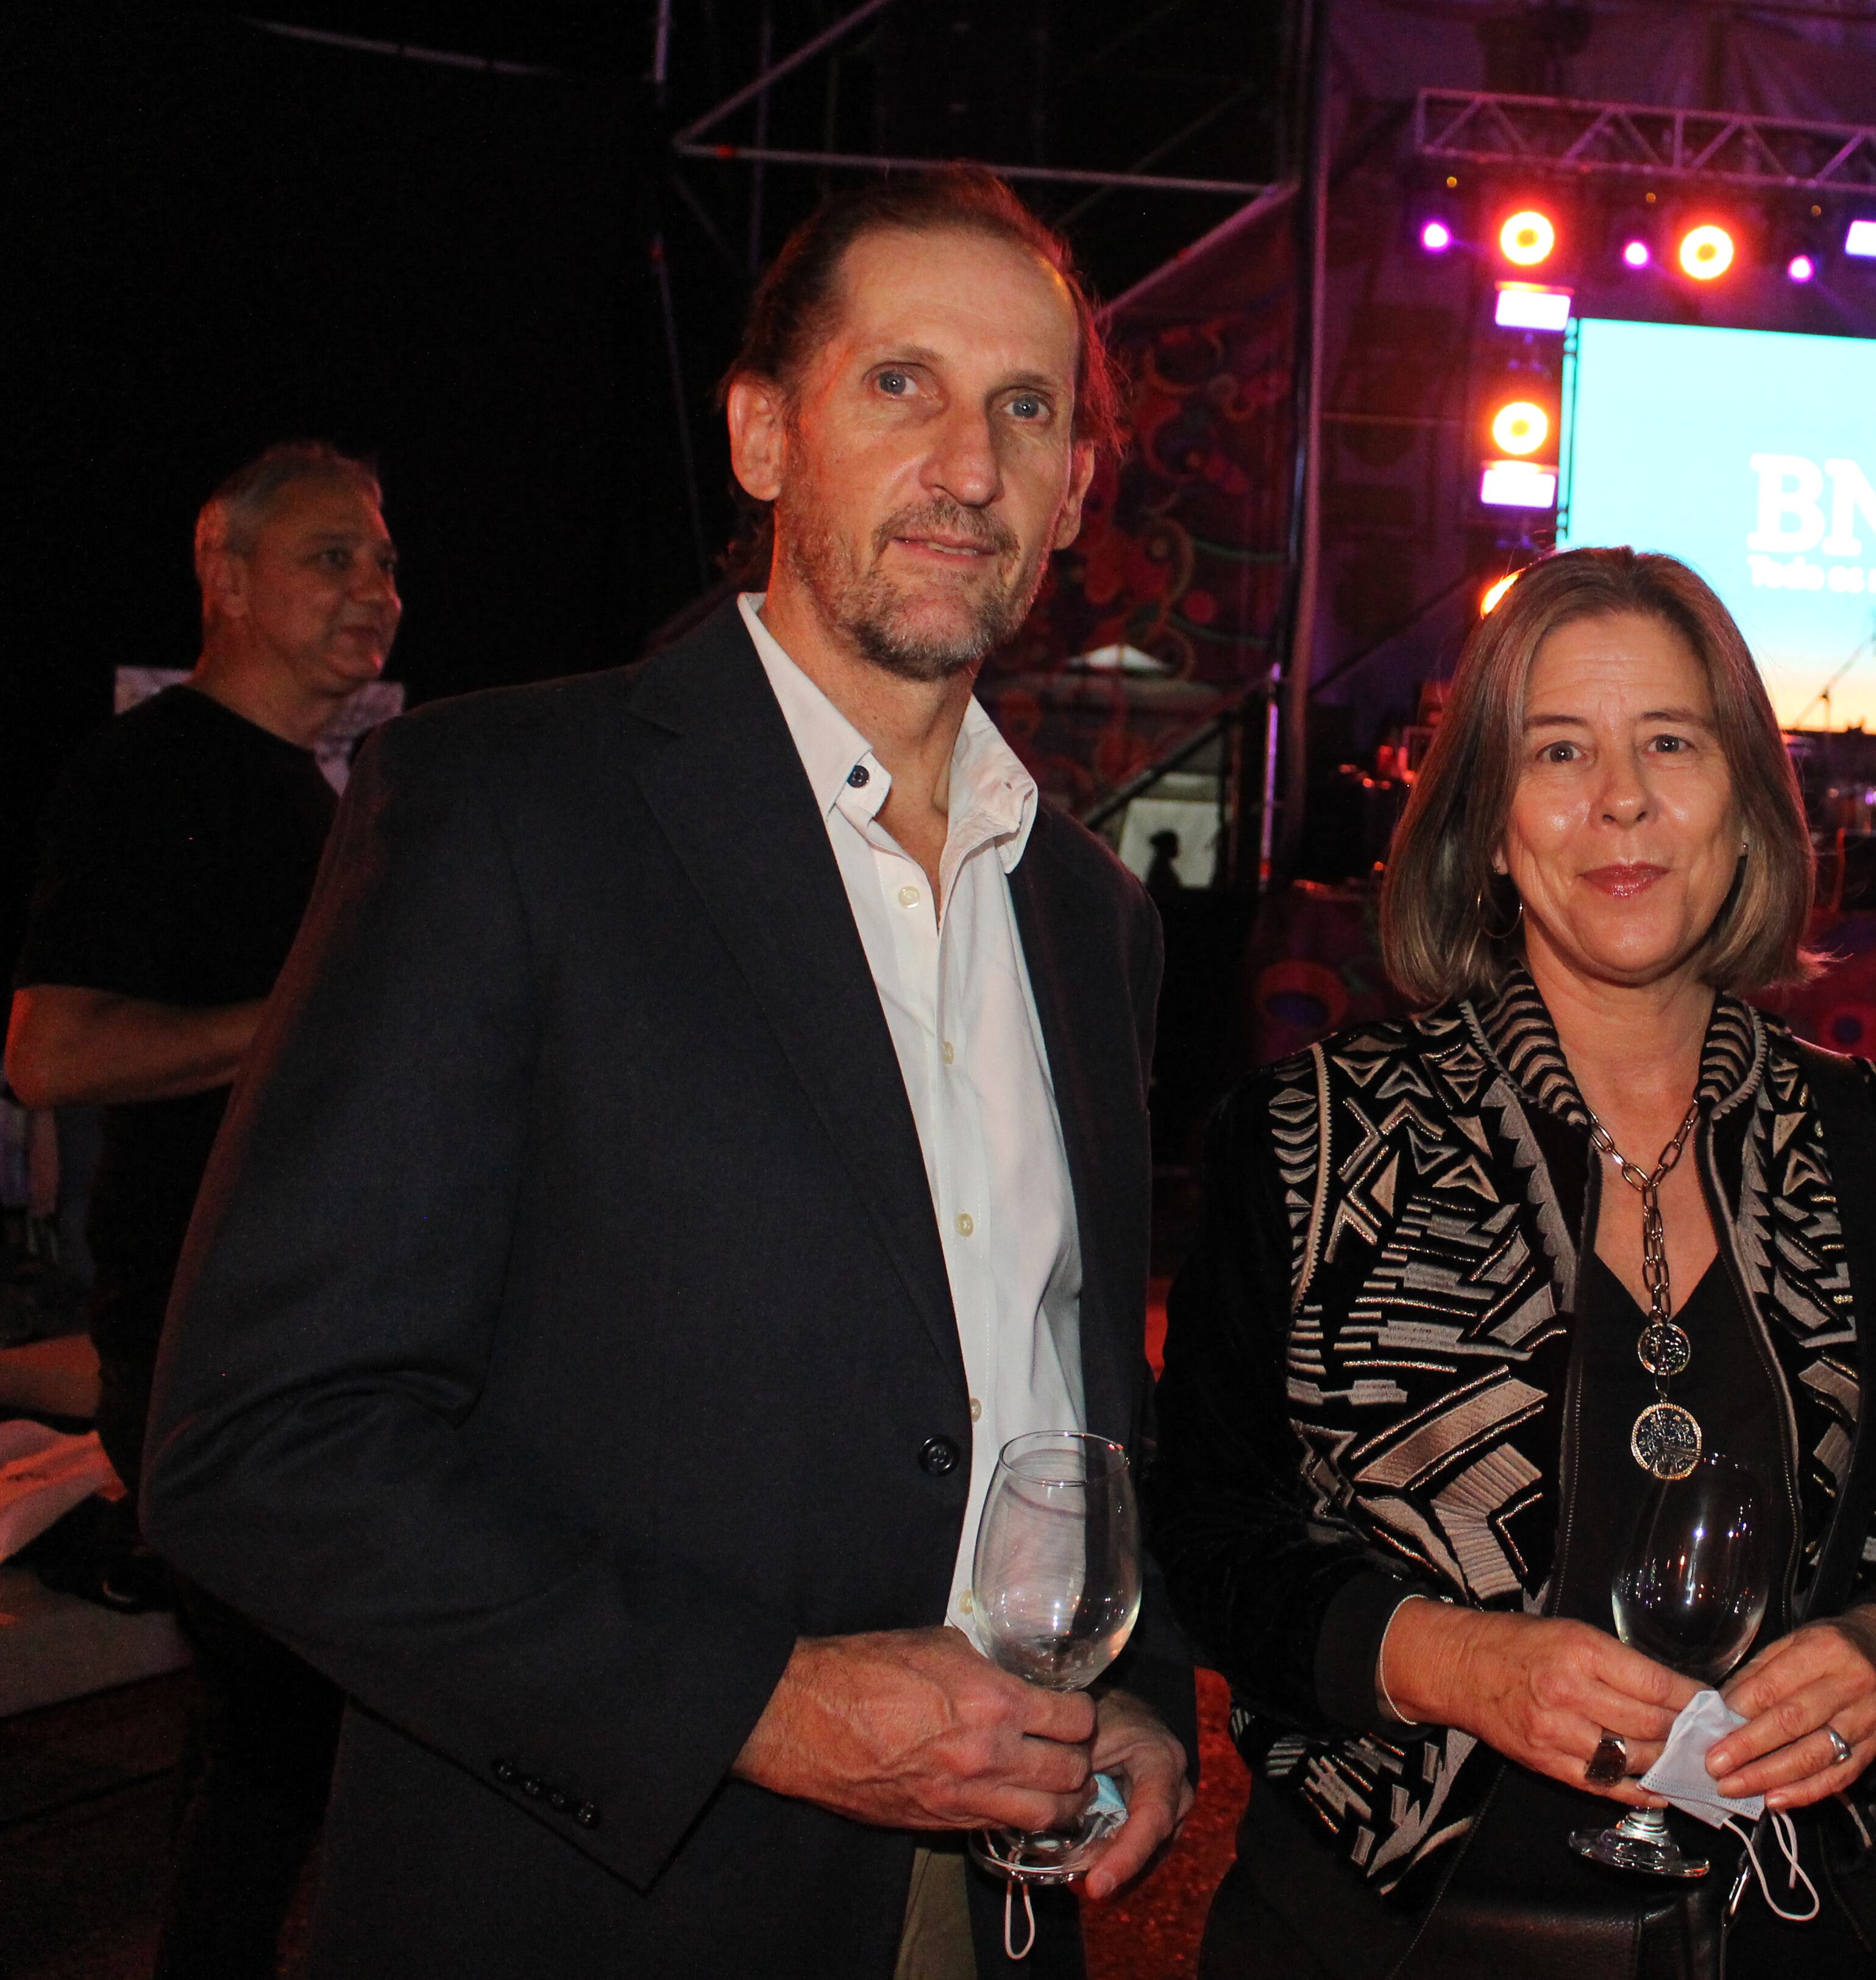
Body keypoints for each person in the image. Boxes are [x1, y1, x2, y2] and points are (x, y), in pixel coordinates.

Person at [141, 170, 1193, 1979]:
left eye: (1028, 408)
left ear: (1080, 489)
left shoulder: (1090, 918)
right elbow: (263, 1444)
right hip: (601, 1897)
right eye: (901, 387)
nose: (969, 463)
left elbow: (1057, 1389)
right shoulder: (503, 811)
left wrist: (1149, 1686)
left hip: (985, 1907)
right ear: (764, 432)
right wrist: (761, 1704)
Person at [1149, 546, 1876, 1978]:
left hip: (1789, 1938)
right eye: (1559, 749)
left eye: (1671, 741)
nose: (1621, 797)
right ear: (1486, 823)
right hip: (1392, 1942)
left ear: (1744, 802)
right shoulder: (1310, 1134)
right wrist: (1450, 1658)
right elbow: (1212, 1535)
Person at [8, 440, 397, 1978]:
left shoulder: (317, 795)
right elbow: (46, 1052)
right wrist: (303, 1011)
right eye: (330, 557)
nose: (375, 590)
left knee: (272, 1734)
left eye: (381, 559)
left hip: (295, 1339)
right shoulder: (151, 772)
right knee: (293, 1723)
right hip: (202, 1345)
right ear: (225, 580)